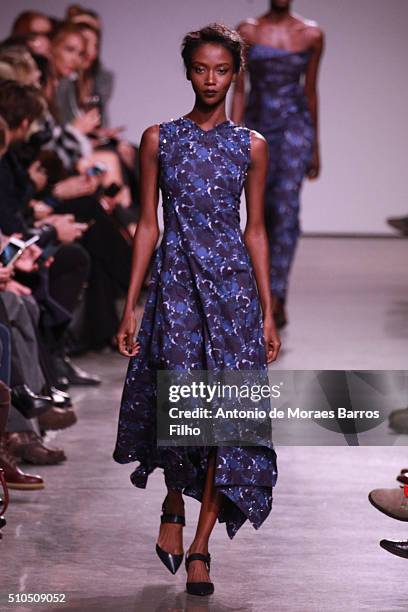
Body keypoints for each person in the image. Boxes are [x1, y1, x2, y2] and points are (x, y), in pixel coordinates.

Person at [113, 24, 280, 596]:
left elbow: (256, 229)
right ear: (188, 71)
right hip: (176, 287)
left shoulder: (251, 144)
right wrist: (131, 305)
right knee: (177, 404)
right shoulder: (160, 138)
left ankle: (202, 546)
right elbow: (146, 226)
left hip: (231, 291)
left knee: (224, 420)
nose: (211, 79)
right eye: (201, 68)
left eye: (222, 70)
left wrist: (268, 311)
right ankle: (172, 501)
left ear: (236, 74)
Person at [231, 0, 324, 327]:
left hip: (294, 130)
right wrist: (232, 135)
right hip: (257, 126)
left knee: (285, 210)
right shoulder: (248, 31)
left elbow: (310, 91)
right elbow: (239, 89)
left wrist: (315, 146)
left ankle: (278, 294)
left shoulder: (311, 34)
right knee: (259, 211)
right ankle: (259, 289)